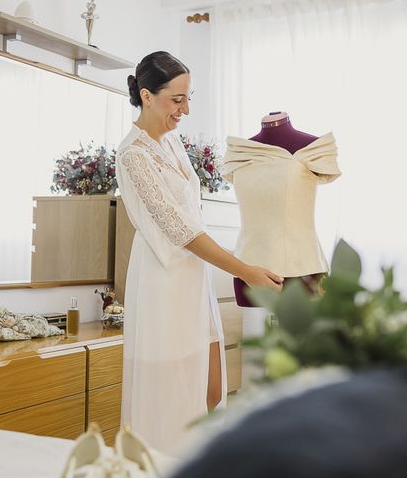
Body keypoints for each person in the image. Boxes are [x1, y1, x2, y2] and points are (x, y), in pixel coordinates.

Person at [116, 51, 284, 454]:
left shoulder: (171, 142)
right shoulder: (134, 155)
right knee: (171, 394)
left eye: (189, 98)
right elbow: (179, 229)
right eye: (178, 99)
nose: (186, 109)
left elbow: (192, 215)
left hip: (194, 277)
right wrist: (243, 270)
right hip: (162, 277)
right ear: (147, 95)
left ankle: (200, 461)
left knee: (210, 389)